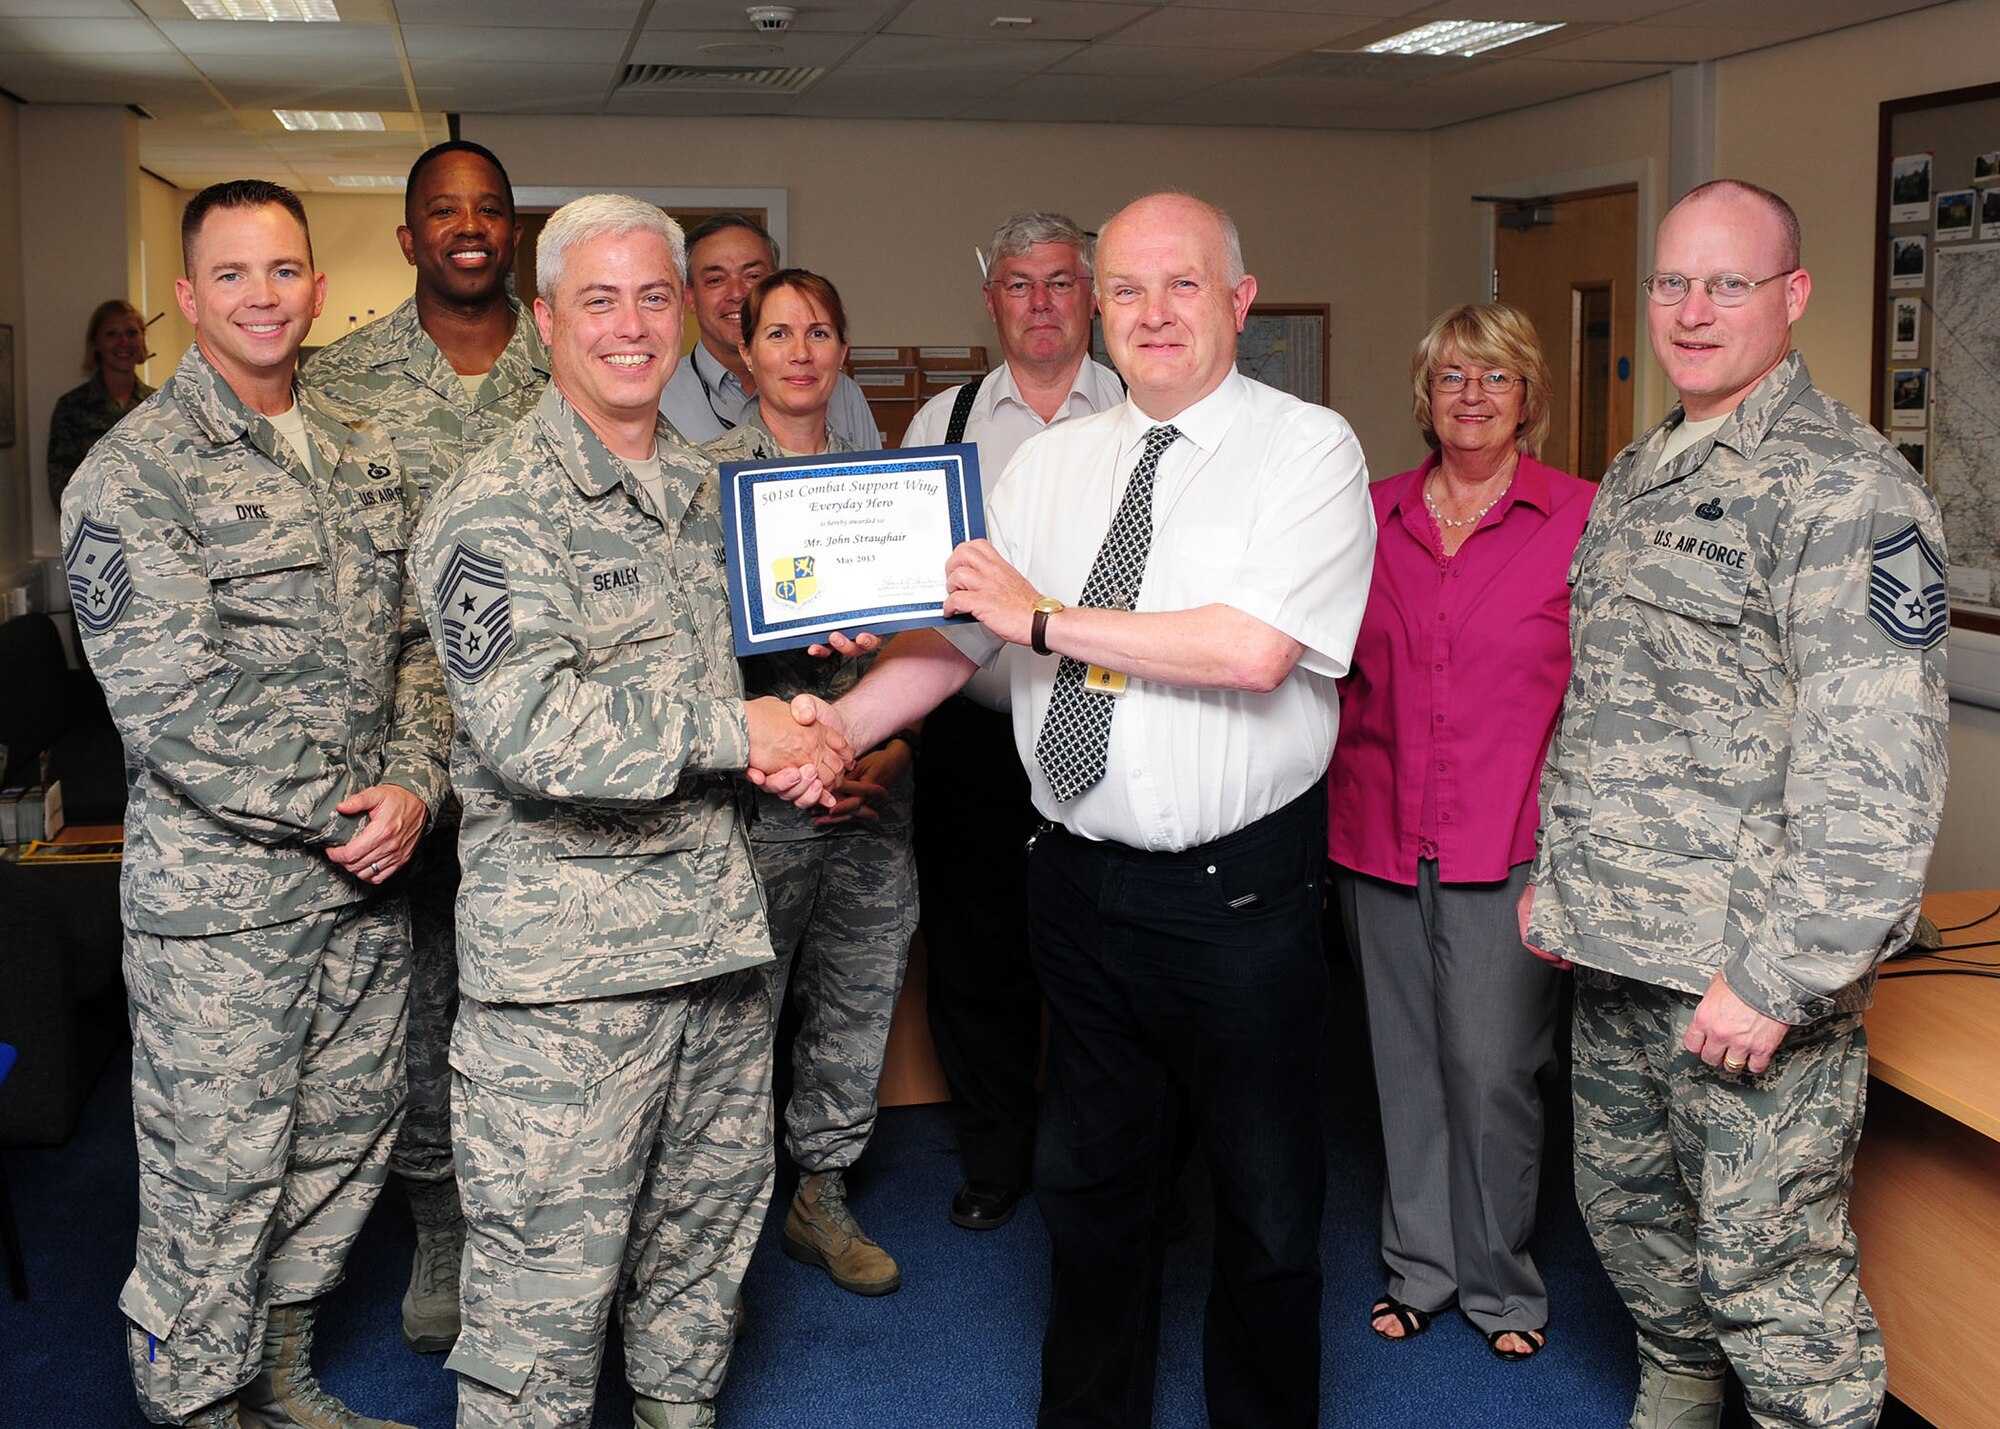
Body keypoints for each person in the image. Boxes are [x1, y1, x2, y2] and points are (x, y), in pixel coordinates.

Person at [761, 191, 1375, 1428]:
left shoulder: (1308, 451)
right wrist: (837, 726)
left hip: (1238, 895)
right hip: (1079, 884)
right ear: (1099, 307)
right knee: (1090, 1198)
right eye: (1128, 290)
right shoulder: (1051, 464)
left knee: (1262, 1212)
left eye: (1182, 285)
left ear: (1237, 302)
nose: (1152, 314)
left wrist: (1038, 617)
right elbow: (958, 642)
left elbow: (1250, 650)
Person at [411, 193, 850, 1429]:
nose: (630, 325)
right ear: (544, 318)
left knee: (697, 1267)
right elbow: (527, 729)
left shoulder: (713, 493)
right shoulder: (490, 507)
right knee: (539, 1315)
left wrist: (813, 689)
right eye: (597, 300)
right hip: (565, 989)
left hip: (714, 948)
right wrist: (742, 731)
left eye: (654, 296)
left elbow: (751, 675)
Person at [1523, 179, 1949, 1429]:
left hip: (1743, 973)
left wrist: (1779, 978)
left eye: (1726, 283)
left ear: (1792, 296)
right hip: (1616, 947)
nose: (1690, 310)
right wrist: (1561, 877)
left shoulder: (1845, 492)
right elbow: (1603, 698)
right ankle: (1675, 1390)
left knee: (1772, 1280)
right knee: (1634, 1225)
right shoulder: (1643, 465)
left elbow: (1874, 773)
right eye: (1670, 282)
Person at [59, 179, 445, 1429]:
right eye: (232, 275)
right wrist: (350, 811)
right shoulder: (133, 476)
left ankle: (277, 1374)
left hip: (363, 889)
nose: (262, 297)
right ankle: (193, 1402)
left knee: (340, 1150)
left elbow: (416, 648)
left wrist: (418, 784)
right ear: (186, 298)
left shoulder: (360, 450)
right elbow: (173, 706)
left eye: (283, 271)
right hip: (225, 917)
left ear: (318, 289)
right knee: (211, 1183)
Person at [304, 137, 549, 1358]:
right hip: (401, 753)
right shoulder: (338, 376)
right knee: (416, 1000)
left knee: (527, 1001)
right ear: (407, 238)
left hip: (543, 755)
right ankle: (441, 1222)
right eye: (442, 211)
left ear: (516, 233)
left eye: (490, 209)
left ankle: (534, 1229)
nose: (469, 226)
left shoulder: (576, 363)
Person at [1328, 302, 1592, 1363]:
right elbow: (1328, 671)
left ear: (1528, 397)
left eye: (1493, 377)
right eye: (1450, 377)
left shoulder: (1580, 516)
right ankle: (1418, 1268)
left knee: (1490, 1067)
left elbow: (1603, 701)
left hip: (1511, 843)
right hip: (1376, 833)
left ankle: (1500, 1283)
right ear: (1424, 397)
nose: (1470, 396)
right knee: (1400, 1067)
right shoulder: (1367, 514)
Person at [899, 211, 1126, 1233]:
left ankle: (1112, 1159)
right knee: (974, 956)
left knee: (1106, 962)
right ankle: (995, 1156)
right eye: (1020, 285)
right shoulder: (941, 423)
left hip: (1113, 734)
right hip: (973, 740)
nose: (1040, 303)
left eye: (1060, 283)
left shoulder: (1142, 410)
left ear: (1092, 297)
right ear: (990, 302)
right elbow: (910, 591)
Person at [704, 268, 918, 1297]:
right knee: (736, 1028)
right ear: (743, 353)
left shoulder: (881, 488)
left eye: (819, 332)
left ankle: (820, 1195)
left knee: (853, 1003)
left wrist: (891, 748)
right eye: (777, 332)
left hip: (871, 804)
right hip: (753, 811)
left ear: (841, 353)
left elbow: (926, 643)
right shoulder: (698, 485)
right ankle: (714, 1239)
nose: (799, 351)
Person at [658, 212, 879, 448]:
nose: (737, 294)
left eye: (753, 276)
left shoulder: (843, 394)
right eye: (716, 280)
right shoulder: (659, 396)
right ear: (689, 297)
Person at [48, 298, 154, 507]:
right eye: (111, 334)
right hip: (94, 532)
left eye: (132, 333)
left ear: (142, 339)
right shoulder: (71, 408)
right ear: (96, 343)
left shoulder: (159, 406)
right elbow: (61, 488)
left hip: (154, 532)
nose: (123, 341)